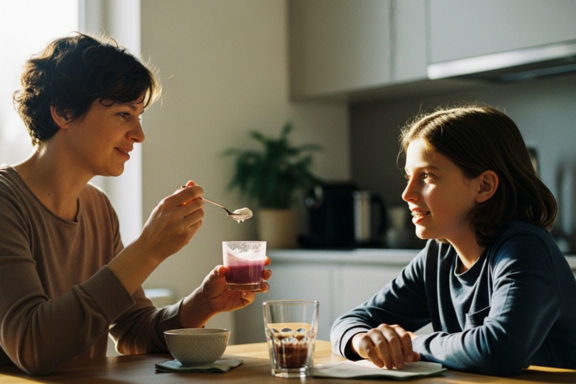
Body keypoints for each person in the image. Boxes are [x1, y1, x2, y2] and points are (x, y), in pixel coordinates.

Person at [0, 33, 271, 375]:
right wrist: (148, 250)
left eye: (139, 115)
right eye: (124, 114)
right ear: (64, 112)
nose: (139, 134)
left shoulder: (98, 208)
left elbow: (132, 332)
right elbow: (32, 346)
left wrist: (201, 304)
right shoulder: (5, 203)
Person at [330, 105, 576, 376]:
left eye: (427, 176)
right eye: (408, 177)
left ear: (483, 186)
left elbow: (498, 350)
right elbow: (351, 321)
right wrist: (361, 340)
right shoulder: (438, 255)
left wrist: (410, 344)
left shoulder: (526, 250)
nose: (407, 194)